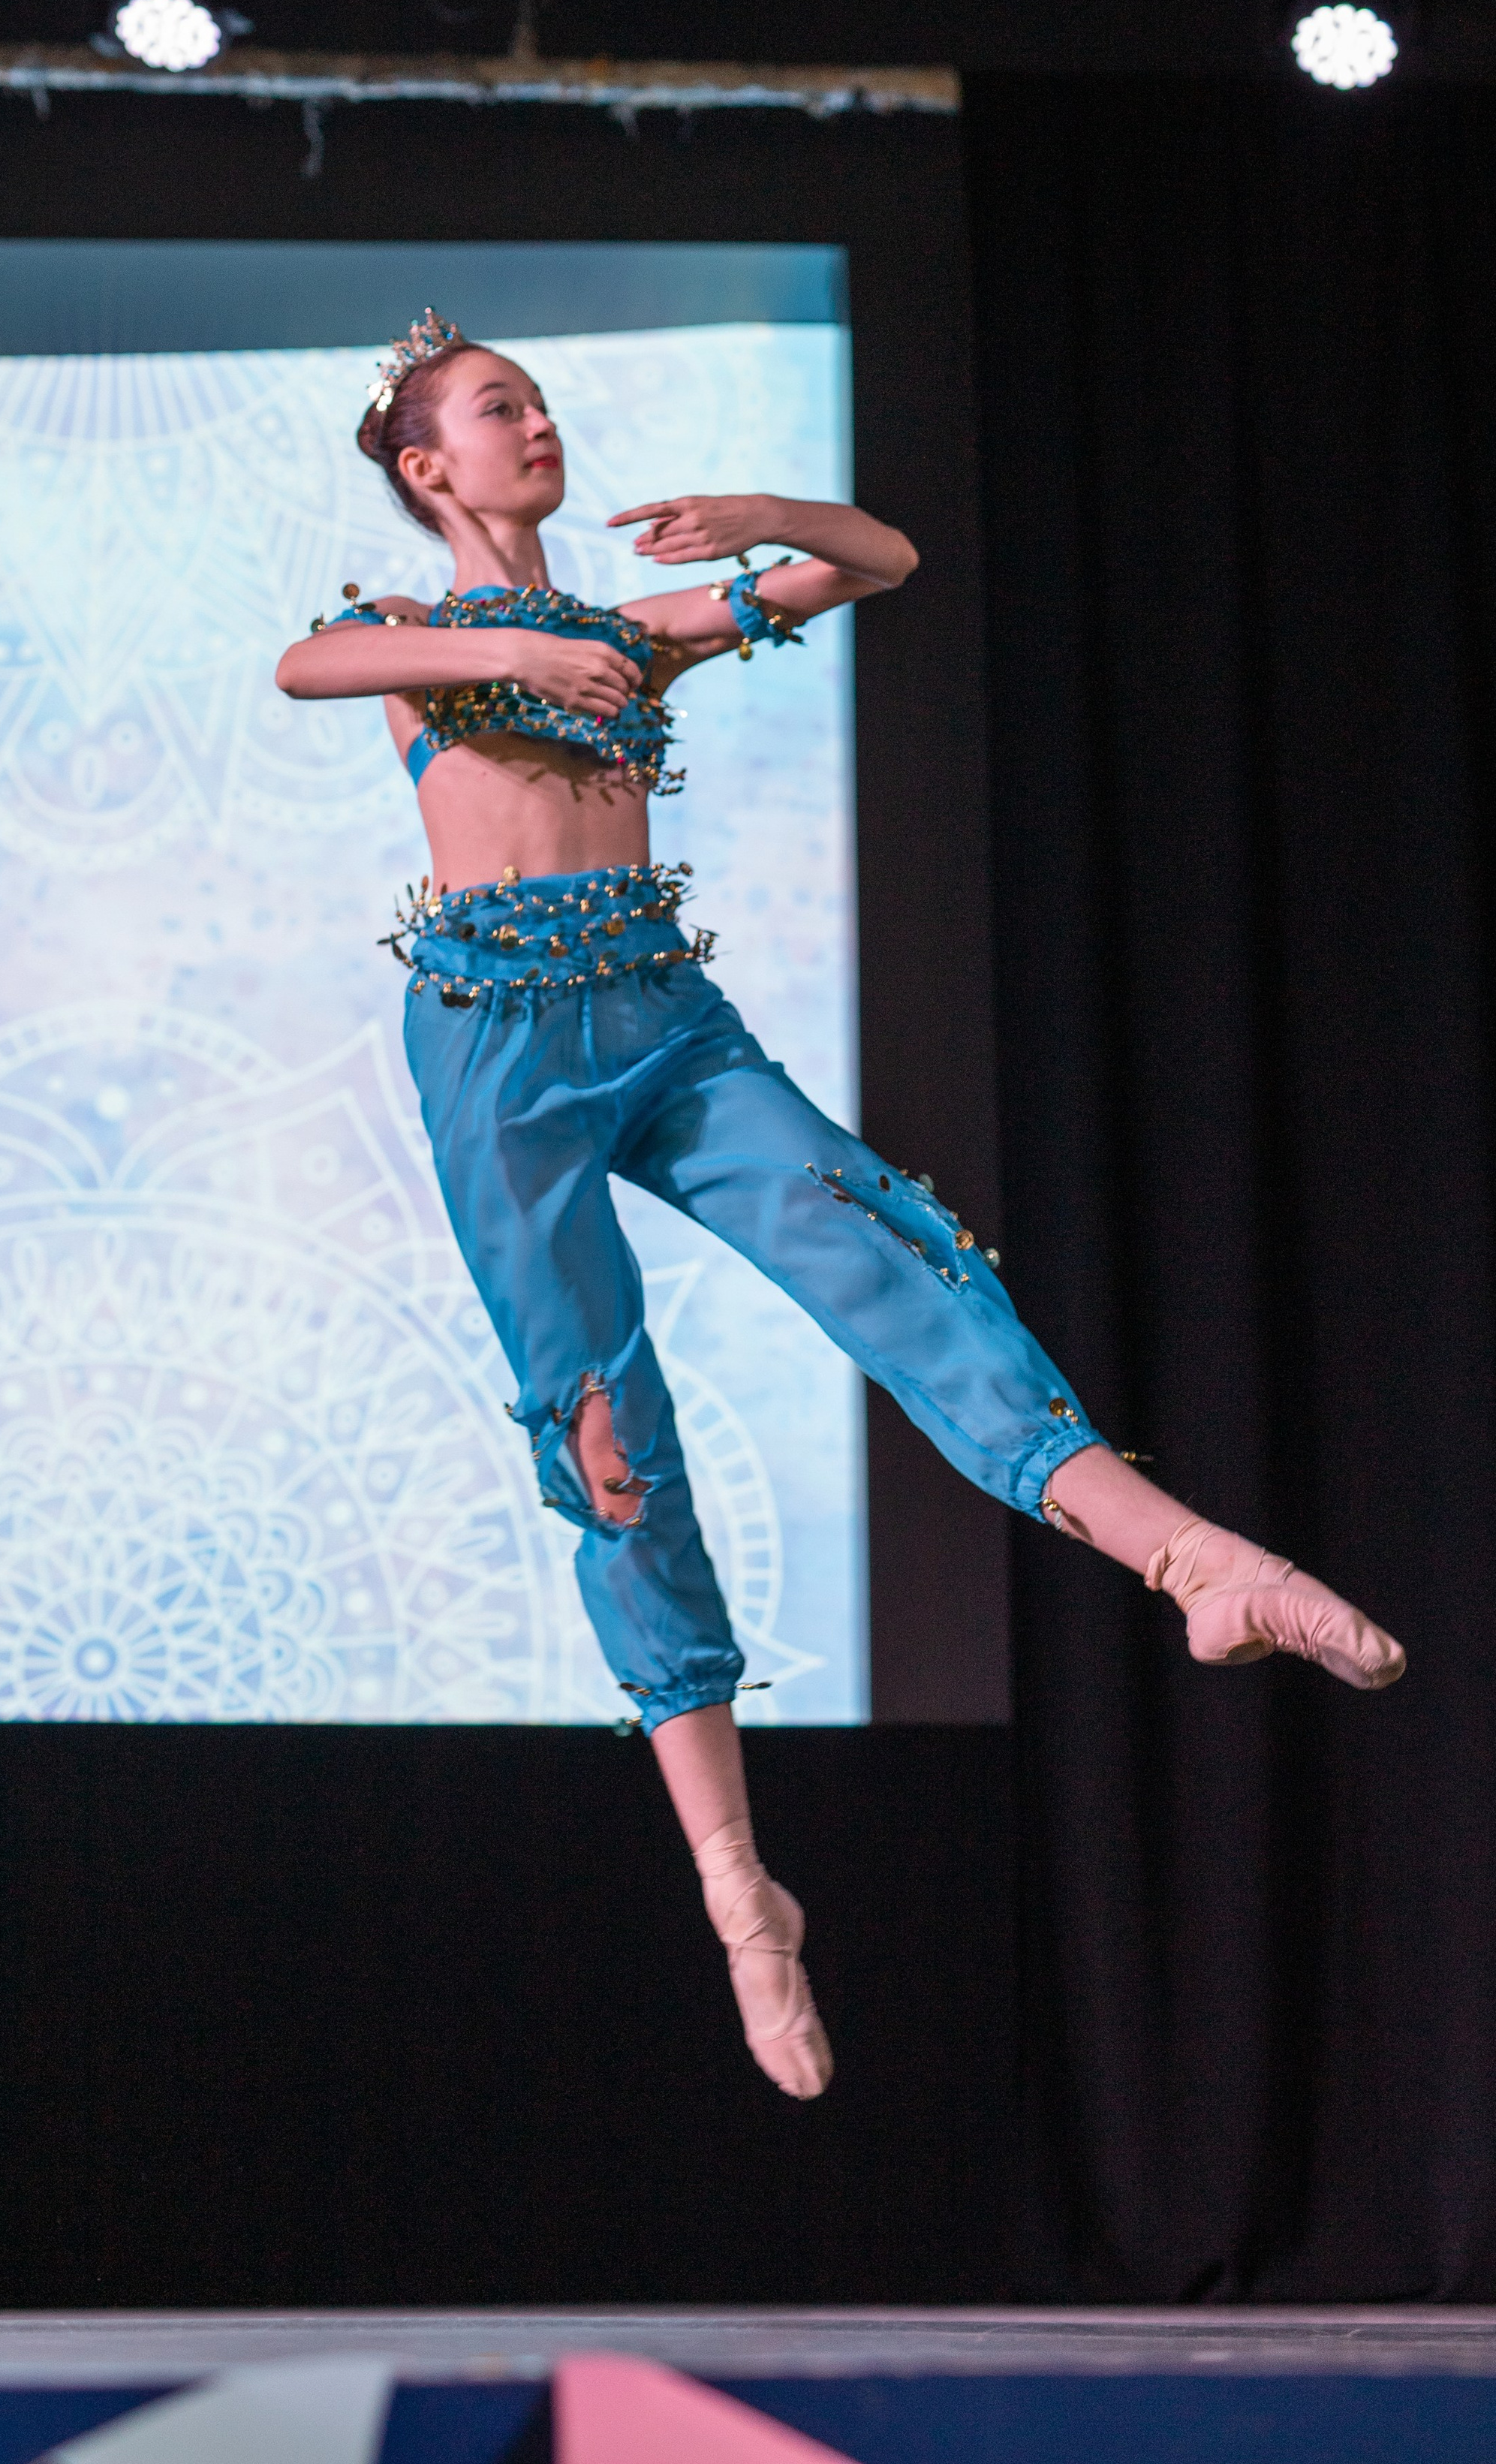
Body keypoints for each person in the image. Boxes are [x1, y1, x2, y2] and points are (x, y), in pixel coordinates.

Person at [275, 307, 1407, 2104]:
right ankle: (741, 1891)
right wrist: (509, 647)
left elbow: (869, 560)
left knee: (893, 1248)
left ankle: (1199, 1561)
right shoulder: (417, 638)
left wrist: (764, 512)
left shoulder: (628, 635)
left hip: (663, 1019)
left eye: (541, 399)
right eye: (502, 410)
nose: (536, 423)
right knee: (605, 1438)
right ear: (429, 469)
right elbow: (300, 668)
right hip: (498, 1049)